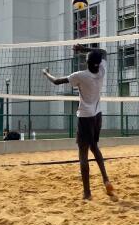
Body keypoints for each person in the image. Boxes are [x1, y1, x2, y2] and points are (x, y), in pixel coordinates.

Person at [42, 44, 115, 200]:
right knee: (94, 147)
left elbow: (56, 81)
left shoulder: (80, 75)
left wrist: (46, 73)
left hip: (85, 117)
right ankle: (106, 179)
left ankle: (87, 193)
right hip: (97, 115)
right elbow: (102, 52)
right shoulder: (102, 70)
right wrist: (85, 49)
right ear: (98, 62)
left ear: (87, 62)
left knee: (83, 153)